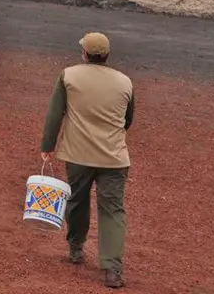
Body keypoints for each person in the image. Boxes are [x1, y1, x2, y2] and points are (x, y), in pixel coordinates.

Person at [40, 32, 135, 290]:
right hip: (114, 158)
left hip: (78, 155)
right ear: (106, 55)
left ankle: (75, 249)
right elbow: (128, 120)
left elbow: (54, 114)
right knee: (112, 209)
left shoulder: (68, 76)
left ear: (84, 54)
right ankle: (113, 269)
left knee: (78, 200)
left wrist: (47, 146)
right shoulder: (125, 81)